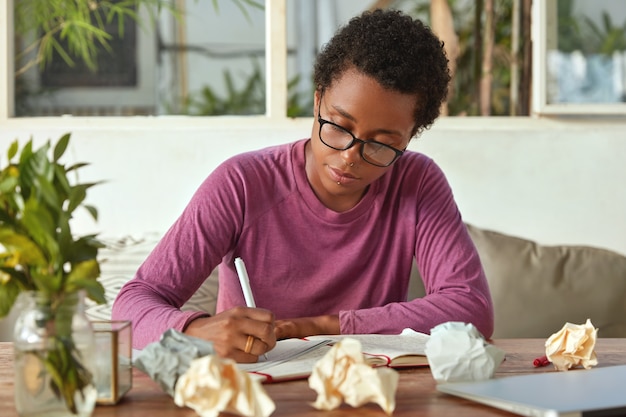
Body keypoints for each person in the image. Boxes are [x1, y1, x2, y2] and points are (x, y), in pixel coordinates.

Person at [112, 8, 494, 362]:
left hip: (366, 389)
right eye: (339, 126)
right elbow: (132, 304)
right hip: (256, 388)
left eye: (381, 144)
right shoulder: (242, 183)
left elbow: (471, 308)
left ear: (408, 140)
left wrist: (321, 327)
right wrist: (196, 331)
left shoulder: (417, 182)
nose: (349, 156)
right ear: (317, 103)